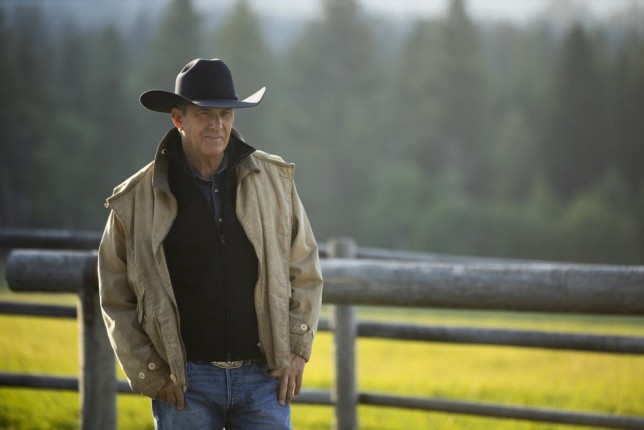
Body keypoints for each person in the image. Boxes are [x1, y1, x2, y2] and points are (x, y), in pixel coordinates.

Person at [98, 58, 323, 429]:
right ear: (178, 119)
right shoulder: (134, 200)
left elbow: (305, 267)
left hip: (264, 378)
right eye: (205, 114)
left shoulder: (274, 181)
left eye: (225, 114)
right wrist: (152, 373)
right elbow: (115, 296)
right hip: (185, 385)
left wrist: (297, 349)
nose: (218, 125)